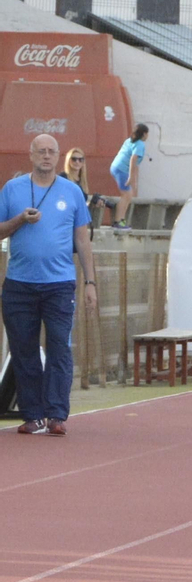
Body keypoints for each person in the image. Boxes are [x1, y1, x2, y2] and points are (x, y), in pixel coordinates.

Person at [0, 133, 95, 436]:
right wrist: (19, 221)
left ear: (58, 157)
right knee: (23, 349)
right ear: (31, 155)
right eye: (40, 151)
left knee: (59, 347)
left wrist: (90, 281)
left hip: (59, 285)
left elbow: (83, 239)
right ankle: (33, 415)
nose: (46, 156)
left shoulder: (72, 192)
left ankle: (56, 413)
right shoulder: (12, 189)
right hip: (19, 285)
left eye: (51, 152)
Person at [109, 123, 148, 231]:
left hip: (116, 167)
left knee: (128, 195)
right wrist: (131, 177)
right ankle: (118, 221)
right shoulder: (140, 144)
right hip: (122, 169)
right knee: (126, 195)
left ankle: (121, 220)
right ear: (144, 134)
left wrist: (133, 180)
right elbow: (133, 159)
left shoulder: (130, 140)